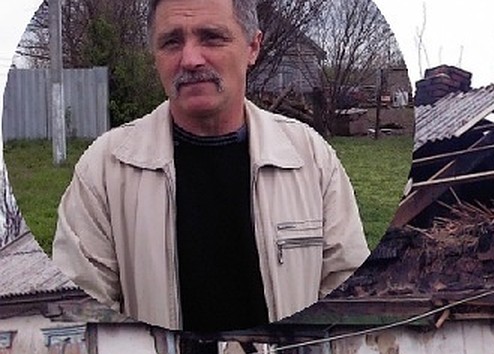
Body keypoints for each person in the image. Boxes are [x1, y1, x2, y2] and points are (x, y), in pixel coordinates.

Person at [52, 0, 369, 332]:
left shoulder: (310, 158)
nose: (190, 59)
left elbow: (348, 292)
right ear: (155, 54)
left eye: (211, 37)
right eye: (171, 41)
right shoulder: (105, 169)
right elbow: (83, 312)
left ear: (252, 47)